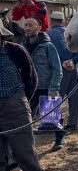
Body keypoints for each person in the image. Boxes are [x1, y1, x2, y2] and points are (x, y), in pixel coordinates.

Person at [0, 19, 47, 171]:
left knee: (25, 150)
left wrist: (23, 102)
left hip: (16, 105)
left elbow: (31, 78)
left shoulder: (15, 51)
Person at [21, 17, 65, 152]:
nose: (28, 27)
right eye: (26, 25)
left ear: (38, 28)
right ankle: (28, 147)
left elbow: (57, 68)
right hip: (30, 87)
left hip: (46, 85)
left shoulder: (48, 46)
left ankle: (59, 139)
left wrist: (53, 88)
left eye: (31, 25)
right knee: (26, 116)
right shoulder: (22, 46)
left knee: (53, 114)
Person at [48, 11, 78, 131]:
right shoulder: (71, 34)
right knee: (74, 97)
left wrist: (62, 62)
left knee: (54, 96)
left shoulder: (47, 35)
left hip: (57, 71)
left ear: (50, 20)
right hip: (73, 69)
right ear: (63, 21)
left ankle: (52, 124)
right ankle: (73, 123)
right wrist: (72, 61)